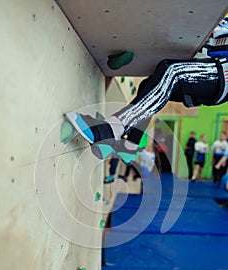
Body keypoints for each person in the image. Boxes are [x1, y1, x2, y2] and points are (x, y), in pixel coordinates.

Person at [64, 15, 228, 163]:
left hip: (223, 73)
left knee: (173, 71)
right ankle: (130, 146)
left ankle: (112, 128)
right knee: (149, 86)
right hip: (213, 66)